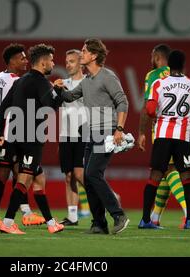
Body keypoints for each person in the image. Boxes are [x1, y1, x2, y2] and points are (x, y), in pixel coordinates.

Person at [54, 39, 130, 235]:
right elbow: (70, 97)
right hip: (92, 133)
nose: (82, 54)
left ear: (94, 56)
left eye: (85, 51)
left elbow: (123, 102)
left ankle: (118, 214)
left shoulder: (107, 76)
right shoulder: (87, 81)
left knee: (92, 173)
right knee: (88, 179)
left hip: (107, 131)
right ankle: (99, 223)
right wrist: (58, 89)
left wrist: (119, 129)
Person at [0, 44, 64, 234]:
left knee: (39, 179)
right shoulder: (41, 82)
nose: (53, 63)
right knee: (24, 180)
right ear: (42, 62)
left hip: (14, 137)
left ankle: (51, 223)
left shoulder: (20, 81)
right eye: (50, 60)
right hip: (31, 138)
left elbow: (3, 108)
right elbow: (51, 106)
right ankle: (7, 223)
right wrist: (59, 91)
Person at [139, 50, 190, 230]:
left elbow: (149, 110)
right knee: (187, 178)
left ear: (168, 65)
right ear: (184, 65)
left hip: (163, 136)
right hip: (183, 138)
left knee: (155, 177)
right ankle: (188, 220)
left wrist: (155, 113)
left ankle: (146, 219)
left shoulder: (158, 82)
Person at [0, 43, 45, 227]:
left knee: (8, 173)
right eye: (22, 58)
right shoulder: (17, 81)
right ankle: (23, 213)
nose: (26, 61)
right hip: (12, 133)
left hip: (0, 134)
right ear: (12, 60)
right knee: (22, 172)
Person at [58, 49, 90, 226]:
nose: (68, 64)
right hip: (66, 133)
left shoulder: (89, 82)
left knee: (80, 174)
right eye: (67, 61)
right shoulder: (63, 83)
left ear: (80, 63)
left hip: (83, 132)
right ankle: (72, 215)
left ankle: (107, 195)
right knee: (69, 175)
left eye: (71, 61)